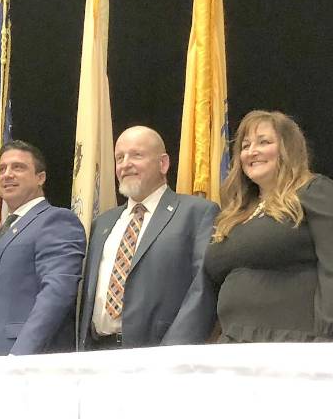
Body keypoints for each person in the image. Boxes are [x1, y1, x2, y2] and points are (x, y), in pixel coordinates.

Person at [79, 126, 219, 351]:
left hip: (160, 355)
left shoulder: (197, 213)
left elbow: (203, 289)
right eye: (119, 158)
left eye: (136, 155)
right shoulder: (103, 223)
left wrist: (171, 352)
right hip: (97, 353)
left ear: (163, 163)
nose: (125, 164)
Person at [205, 110, 333, 343]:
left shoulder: (314, 191)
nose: (252, 152)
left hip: (293, 343)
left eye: (264, 142)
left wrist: (326, 339)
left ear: (288, 148)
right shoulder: (233, 215)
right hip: (233, 343)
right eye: (245, 146)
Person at [0, 140, 86, 356]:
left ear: (41, 177)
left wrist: (19, 357)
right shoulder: (6, 229)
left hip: (32, 361)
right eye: (2, 169)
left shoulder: (56, 220)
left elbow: (57, 292)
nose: (7, 174)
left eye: (18, 167)